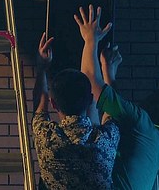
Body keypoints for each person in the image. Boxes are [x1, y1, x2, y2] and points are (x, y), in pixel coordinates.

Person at [75, 5, 159, 190]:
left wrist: (90, 39)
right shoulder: (155, 142)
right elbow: (116, 120)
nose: (153, 92)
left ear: (158, 105)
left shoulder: (141, 122)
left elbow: (89, 83)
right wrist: (109, 72)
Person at [32, 31, 120, 190]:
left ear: (54, 104)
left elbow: (39, 101)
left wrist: (41, 67)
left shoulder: (46, 137)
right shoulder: (105, 138)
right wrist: (108, 69)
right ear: (90, 100)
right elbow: (112, 107)